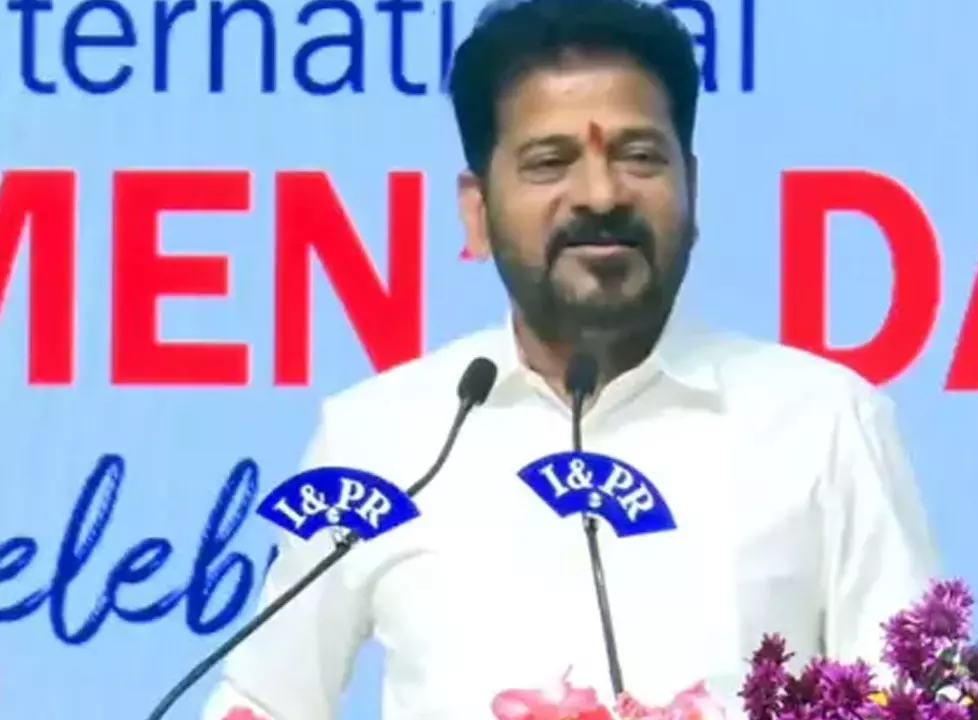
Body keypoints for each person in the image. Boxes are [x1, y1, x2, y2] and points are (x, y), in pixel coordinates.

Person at [202, 0, 938, 717]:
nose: (600, 194)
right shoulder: (378, 439)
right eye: (549, 162)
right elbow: (263, 700)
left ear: (692, 188)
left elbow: (916, 702)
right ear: (477, 211)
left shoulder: (824, 424)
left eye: (639, 157)